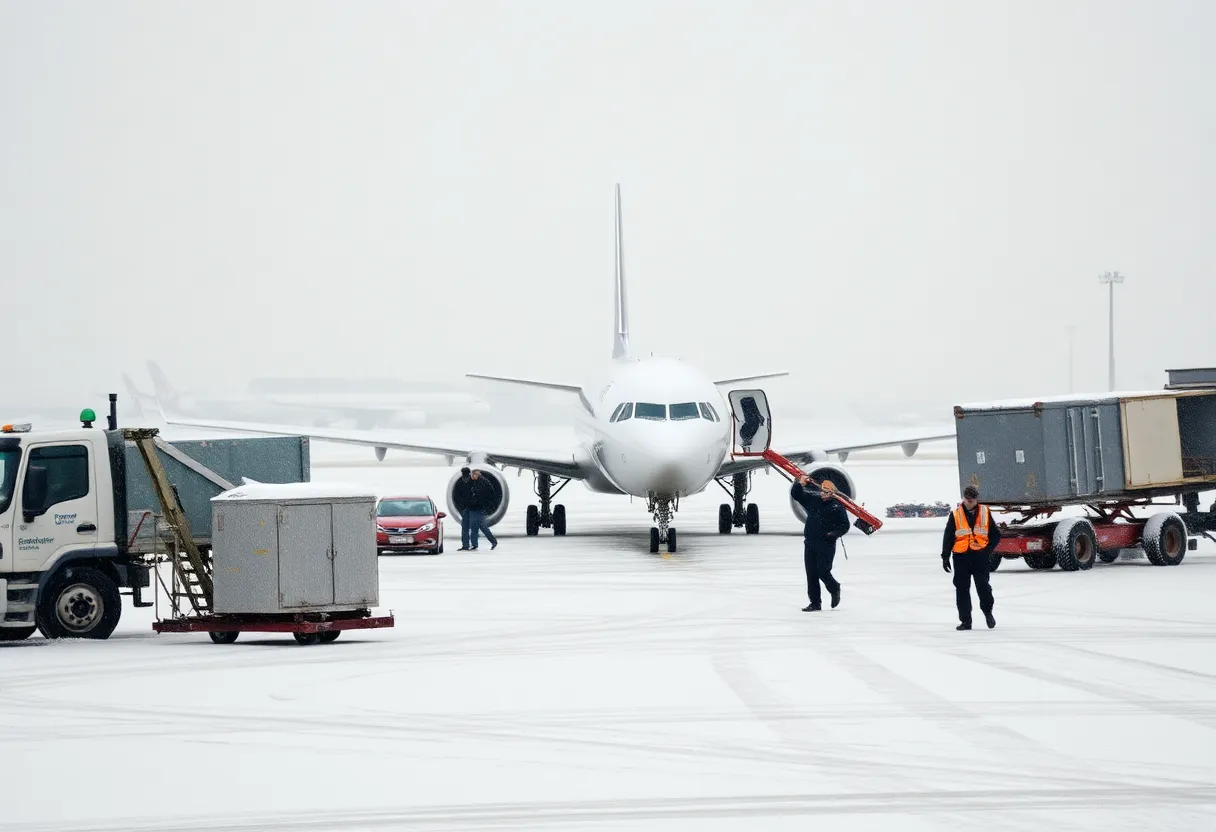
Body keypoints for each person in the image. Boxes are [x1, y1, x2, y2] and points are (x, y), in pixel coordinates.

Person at [941, 484, 1000, 630]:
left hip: (979, 556)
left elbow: (995, 535)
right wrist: (945, 557)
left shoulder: (985, 512)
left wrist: (988, 551)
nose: (969, 503)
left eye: (972, 501)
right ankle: (966, 621)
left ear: (976, 500)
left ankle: (988, 612)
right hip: (961, 557)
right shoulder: (955, 514)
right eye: (967, 500)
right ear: (963, 499)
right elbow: (948, 536)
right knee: (962, 589)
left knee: (984, 587)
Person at [790, 475, 850, 611]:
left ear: (833, 493)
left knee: (823, 571)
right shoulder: (814, 500)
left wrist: (833, 534)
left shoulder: (837, 506)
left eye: (827, 492)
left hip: (826, 544)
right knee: (811, 574)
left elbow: (844, 525)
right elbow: (796, 495)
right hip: (810, 542)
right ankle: (815, 603)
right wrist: (800, 484)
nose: (824, 494)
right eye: (822, 491)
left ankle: (834, 588)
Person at [466, 467, 499, 550]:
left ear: (476, 474)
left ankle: (492, 541)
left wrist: (474, 501)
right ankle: (475, 544)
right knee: (475, 526)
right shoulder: (477, 482)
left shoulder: (482, 483)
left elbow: (482, 495)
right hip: (475, 507)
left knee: (481, 527)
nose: (471, 476)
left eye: (472, 474)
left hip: (477, 507)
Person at [452, 467, 474, 550]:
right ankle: (466, 545)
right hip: (465, 508)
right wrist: (460, 507)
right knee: (465, 528)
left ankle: (473, 544)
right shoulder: (459, 483)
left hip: (473, 508)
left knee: (474, 527)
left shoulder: (473, 482)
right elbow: (456, 495)